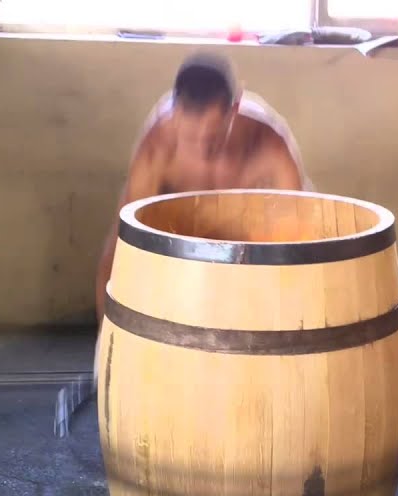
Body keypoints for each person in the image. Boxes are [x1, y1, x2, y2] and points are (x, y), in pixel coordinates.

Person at [95, 53, 313, 321]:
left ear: (234, 110)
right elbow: (122, 248)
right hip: (179, 270)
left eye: (213, 136)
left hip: (252, 271)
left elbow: (303, 242)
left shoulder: (269, 146)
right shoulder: (157, 150)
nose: (201, 148)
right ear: (175, 116)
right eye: (189, 137)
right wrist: (107, 340)